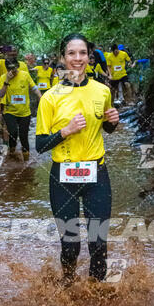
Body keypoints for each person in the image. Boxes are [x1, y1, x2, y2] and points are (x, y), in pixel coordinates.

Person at [36, 33, 119, 284]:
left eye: (82, 53)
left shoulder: (102, 91)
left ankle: (96, 293)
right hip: (63, 176)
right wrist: (66, 131)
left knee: (98, 244)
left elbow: (106, 127)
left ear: (89, 57)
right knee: (70, 244)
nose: (77, 58)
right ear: (63, 58)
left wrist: (113, 123)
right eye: (71, 53)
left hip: (97, 174)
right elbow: (40, 145)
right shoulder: (50, 97)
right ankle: (69, 285)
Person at [0, 57, 41, 160]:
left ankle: (26, 161)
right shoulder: (3, 77)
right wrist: (7, 81)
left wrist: (41, 97)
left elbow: (34, 88)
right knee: (12, 133)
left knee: (23, 136)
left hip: (24, 112)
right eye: (10, 69)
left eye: (14, 69)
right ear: (7, 69)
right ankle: (12, 152)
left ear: (17, 67)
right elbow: (1, 94)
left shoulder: (25, 75)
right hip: (9, 111)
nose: (13, 71)